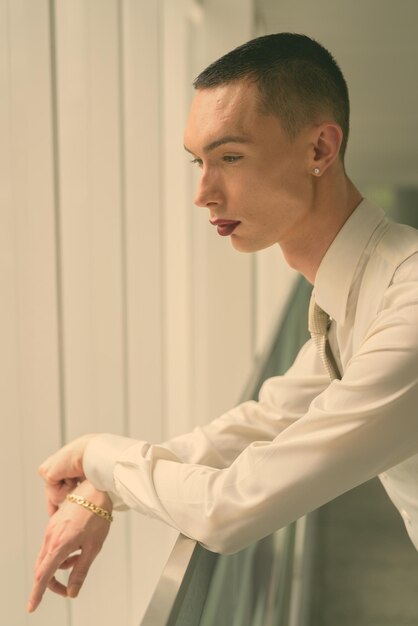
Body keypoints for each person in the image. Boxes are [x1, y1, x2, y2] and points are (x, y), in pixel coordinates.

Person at [27, 32, 418, 613]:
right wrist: (100, 486)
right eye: (198, 161)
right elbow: (265, 425)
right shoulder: (355, 293)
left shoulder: (405, 303)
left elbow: (232, 508)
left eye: (230, 157)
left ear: (319, 150)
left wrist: (101, 456)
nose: (203, 193)